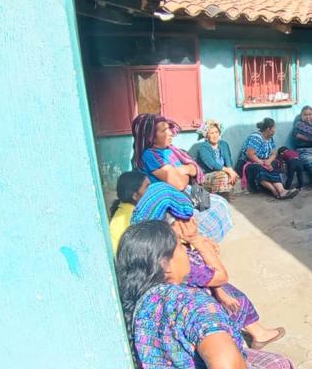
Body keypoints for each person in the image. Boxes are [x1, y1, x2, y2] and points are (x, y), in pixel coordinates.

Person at [129, 183, 287, 351]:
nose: (190, 220)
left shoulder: (144, 243)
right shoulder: (173, 261)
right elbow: (218, 275)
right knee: (233, 296)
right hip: (188, 315)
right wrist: (196, 239)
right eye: (182, 220)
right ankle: (257, 334)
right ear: (171, 225)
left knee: (222, 289)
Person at [117, 221, 293, 369]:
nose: (186, 251)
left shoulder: (140, 303)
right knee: (281, 363)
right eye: (180, 246)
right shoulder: (191, 304)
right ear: (166, 264)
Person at [131, 113, 233, 242]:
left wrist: (185, 170)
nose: (170, 133)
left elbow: (194, 169)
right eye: (164, 130)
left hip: (187, 191)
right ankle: (200, 248)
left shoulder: (171, 149)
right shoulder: (150, 155)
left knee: (221, 204)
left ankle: (207, 244)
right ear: (151, 137)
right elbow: (179, 184)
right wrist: (187, 170)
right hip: (172, 199)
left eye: (169, 128)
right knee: (201, 221)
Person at [237, 118, 298, 200]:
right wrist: (262, 163)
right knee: (260, 169)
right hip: (248, 162)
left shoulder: (270, 138)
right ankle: (275, 191)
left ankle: (282, 191)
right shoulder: (256, 137)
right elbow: (250, 154)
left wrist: (268, 161)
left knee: (273, 166)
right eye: (274, 128)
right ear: (268, 129)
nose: (275, 130)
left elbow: (274, 153)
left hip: (263, 161)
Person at [196, 119, 239, 199]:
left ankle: (226, 194)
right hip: (207, 175)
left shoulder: (223, 144)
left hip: (222, 172)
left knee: (232, 174)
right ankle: (219, 198)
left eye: (216, 132)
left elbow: (228, 159)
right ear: (206, 135)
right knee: (222, 175)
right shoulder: (203, 148)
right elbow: (212, 164)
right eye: (212, 133)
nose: (215, 135)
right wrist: (228, 171)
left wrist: (231, 171)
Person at [108, 171, 149, 253]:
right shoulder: (135, 217)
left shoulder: (124, 210)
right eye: (147, 187)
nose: (151, 190)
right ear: (135, 196)